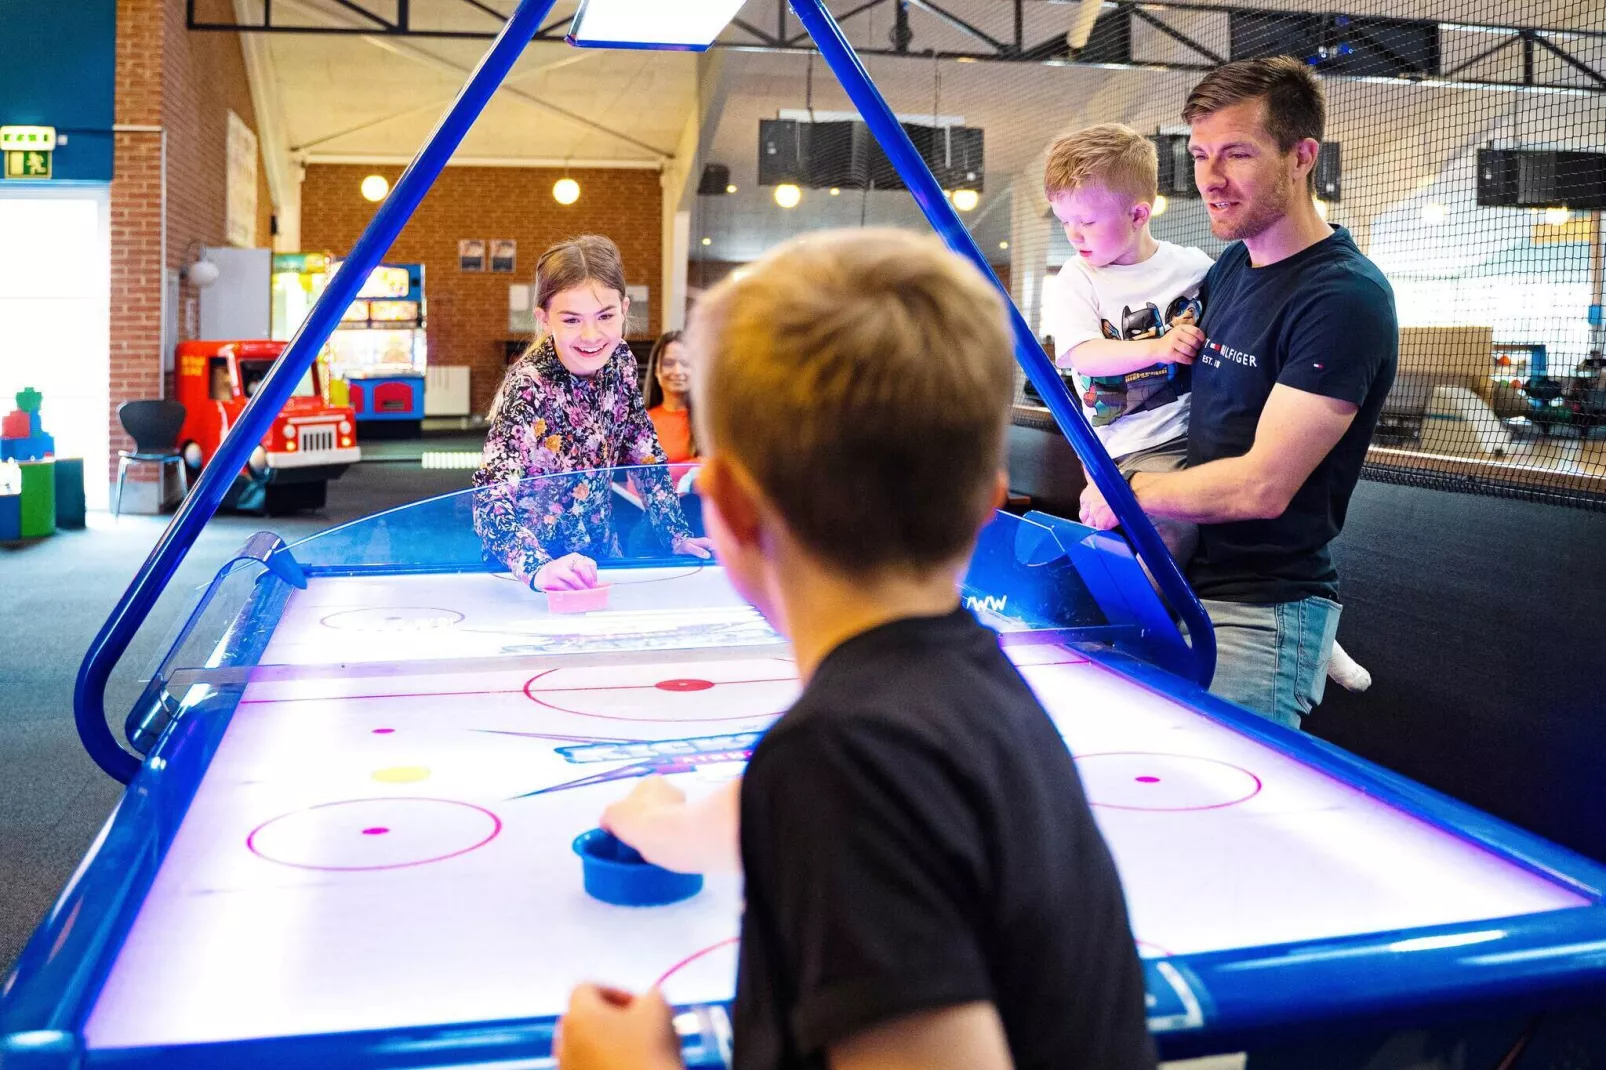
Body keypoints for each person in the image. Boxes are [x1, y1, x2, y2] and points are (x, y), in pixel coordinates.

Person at [554, 230, 1157, 1070]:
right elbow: (848, 819)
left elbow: (850, 802)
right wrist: (670, 827)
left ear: (726, 504)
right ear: (986, 505)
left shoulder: (846, 759)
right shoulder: (967, 689)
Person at [1079, 57, 1397, 729]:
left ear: (1301, 155)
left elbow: (1261, 489)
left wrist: (1126, 489)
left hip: (1259, 610)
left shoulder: (1342, 298)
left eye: (1236, 154)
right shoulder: (1231, 268)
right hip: (1180, 585)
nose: (1211, 179)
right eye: (1199, 155)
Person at [472, 235, 712, 591]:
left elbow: (644, 454)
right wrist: (538, 568)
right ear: (544, 319)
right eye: (571, 320)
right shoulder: (529, 385)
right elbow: (489, 498)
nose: (591, 335)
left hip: (600, 558)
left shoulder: (621, 362)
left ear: (624, 309)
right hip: (532, 570)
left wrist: (675, 533)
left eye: (605, 316)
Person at [1039, 122, 1213, 564]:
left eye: (1088, 222)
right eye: (1065, 222)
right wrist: (1157, 348)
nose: (1073, 236)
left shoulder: (1192, 267)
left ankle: (1149, 623)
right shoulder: (1078, 278)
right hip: (1113, 447)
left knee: (1174, 530)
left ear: (1138, 215)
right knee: (1119, 541)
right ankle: (1123, 623)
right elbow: (1082, 354)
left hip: (1179, 436)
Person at [643, 329, 697, 467]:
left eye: (685, 363)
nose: (678, 371)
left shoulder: (710, 422)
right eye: (668, 363)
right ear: (656, 370)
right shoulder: (642, 423)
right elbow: (636, 478)